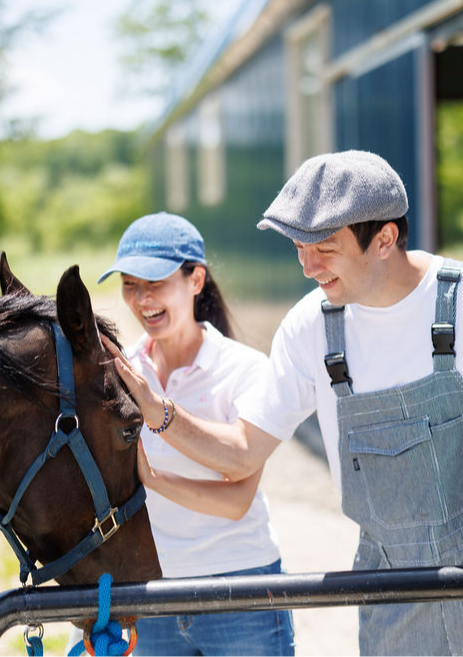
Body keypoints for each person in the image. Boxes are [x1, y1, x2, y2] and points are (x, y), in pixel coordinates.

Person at [105, 152, 463, 656]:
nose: (306, 266)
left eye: (324, 248)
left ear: (384, 239)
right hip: (393, 599)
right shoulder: (310, 329)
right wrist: (157, 411)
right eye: (299, 247)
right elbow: (244, 451)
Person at [76, 212, 295, 656]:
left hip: (241, 589)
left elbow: (237, 501)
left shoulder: (246, 369)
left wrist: (156, 472)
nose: (142, 299)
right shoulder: (120, 371)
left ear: (196, 280)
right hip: (148, 591)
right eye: (130, 285)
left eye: (155, 283)